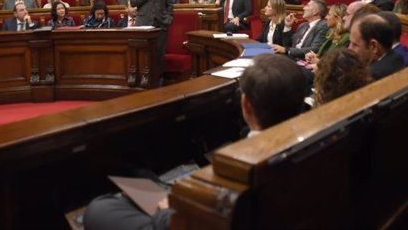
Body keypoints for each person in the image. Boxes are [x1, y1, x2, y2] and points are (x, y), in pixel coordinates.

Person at [82, 53, 308, 230]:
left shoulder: (239, 164)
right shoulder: (310, 144)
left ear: (246, 105)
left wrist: (164, 208)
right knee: (139, 177)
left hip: (187, 220)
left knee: (98, 209)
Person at [130, 0, 174, 72]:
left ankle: (158, 80)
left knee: (159, 54)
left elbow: (169, 3)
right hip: (144, 23)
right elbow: (133, 2)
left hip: (161, 23)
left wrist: (169, 18)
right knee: (145, 54)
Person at [348, 14, 406, 80]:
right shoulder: (396, 58)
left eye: (355, 45)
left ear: (374, 46)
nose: (349, 48)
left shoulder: (371, 76)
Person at [304, 4, 350, 72]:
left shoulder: (346, 38)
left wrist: (319, 62)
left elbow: (339, 65)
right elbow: (324, 55)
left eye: (329, 14)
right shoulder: (330, 32)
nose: (326, 17)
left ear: (337, 18)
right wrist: (313, 56)